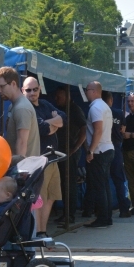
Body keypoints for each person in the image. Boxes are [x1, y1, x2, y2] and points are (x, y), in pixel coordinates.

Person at [22, 77, 64, 238]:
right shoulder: (26, 108)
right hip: (38, 160)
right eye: (28, 90)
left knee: (51, 196)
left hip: (52, 159)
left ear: (40, 89)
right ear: (22, 90)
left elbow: (63, 118)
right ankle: (39, 232)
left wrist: (51, 123)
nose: (32, 93)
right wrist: (54, 123)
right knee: (40, 198)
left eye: (35, 89)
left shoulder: (45, 104)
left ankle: (42, 231)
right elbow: (43, 129)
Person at [83, 81, 114, 228]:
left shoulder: (95, 108)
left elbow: (98, 130)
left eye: (87, 90)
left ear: (94, 91)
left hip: (99, 151)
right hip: (108, 148)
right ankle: (107, 217)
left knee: (99, 186)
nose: (86, 92)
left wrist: (90, 151)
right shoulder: (105, 107)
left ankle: (102, 218)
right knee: (105, 185)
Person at [53, 87, 86, 226]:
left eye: (59, 97)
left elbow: (84, 129)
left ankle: (69, 214)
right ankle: (65, 213)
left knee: (69, 183)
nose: (56, 100)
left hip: (69, 151)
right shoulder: (61, 109)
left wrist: (76, 147)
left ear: (66, 96)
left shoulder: (75, 109)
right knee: (62, 183)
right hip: (60, 151)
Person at [0, 67, 40, 159]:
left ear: (13, 84)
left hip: (25, 169)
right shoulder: (14, 106)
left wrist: (18, 172)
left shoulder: (21, 108)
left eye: (2, 86)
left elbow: (22, 143)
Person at [102, 91, 131, 217]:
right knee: (119, 180)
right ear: (111, 100)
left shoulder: (99, 112)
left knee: (102, 181)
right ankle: (124, 209)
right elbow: (123, 130)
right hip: (116, 148)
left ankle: (100, 210)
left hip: (103, 149)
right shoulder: (119, 113)